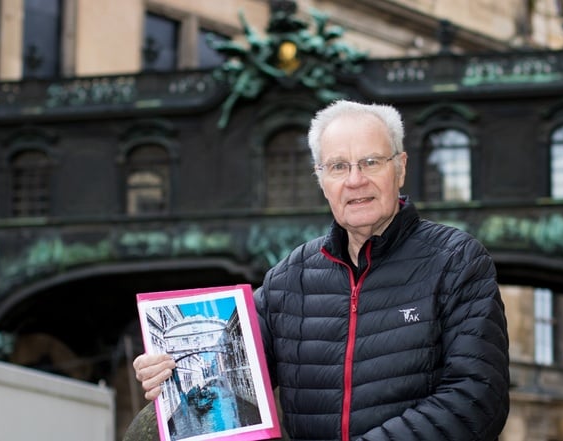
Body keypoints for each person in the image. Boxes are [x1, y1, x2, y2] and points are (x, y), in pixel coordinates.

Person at [133, 100, 510, 440]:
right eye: (338, 166)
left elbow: (477, 399)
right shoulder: (288, 278)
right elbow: (228, 364)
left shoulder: (457, 260)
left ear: (400, 168)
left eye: (371, 162)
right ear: (322, 180)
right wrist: (164, 368)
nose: (355, 180)